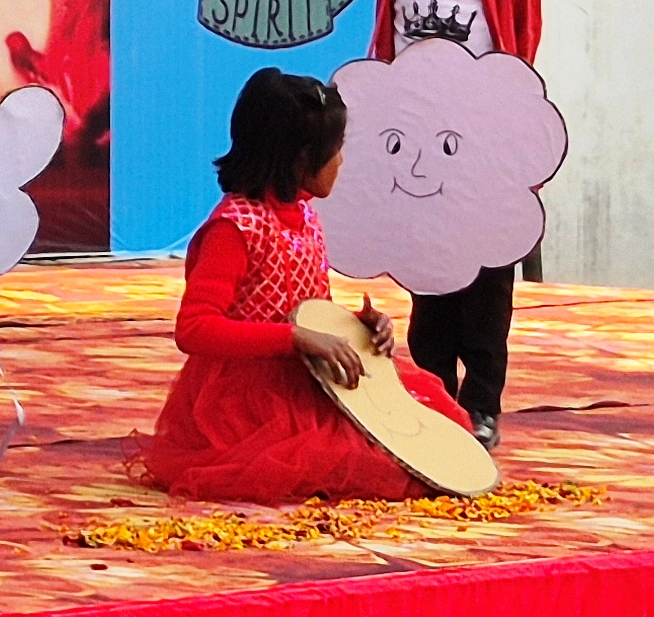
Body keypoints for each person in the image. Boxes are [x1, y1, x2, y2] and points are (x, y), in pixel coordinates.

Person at [138, 67, 468, 502]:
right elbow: (194, 329)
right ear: (300, 157)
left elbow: (309, 307)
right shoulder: (234, 229)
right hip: (251, 403)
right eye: (335, 150)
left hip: (313, 380)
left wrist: (358, 328)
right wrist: (295, 338)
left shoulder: (306, 214)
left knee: (434, 436)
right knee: (359, 466)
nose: (341, 162)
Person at [367, 0, 545, 448]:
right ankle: (434, 392)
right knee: (428, 273)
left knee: (488, 276)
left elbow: (521, 35)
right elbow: (386, 41)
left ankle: (482, 403)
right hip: (416, 145)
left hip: (481, 142)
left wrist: (512, 123)